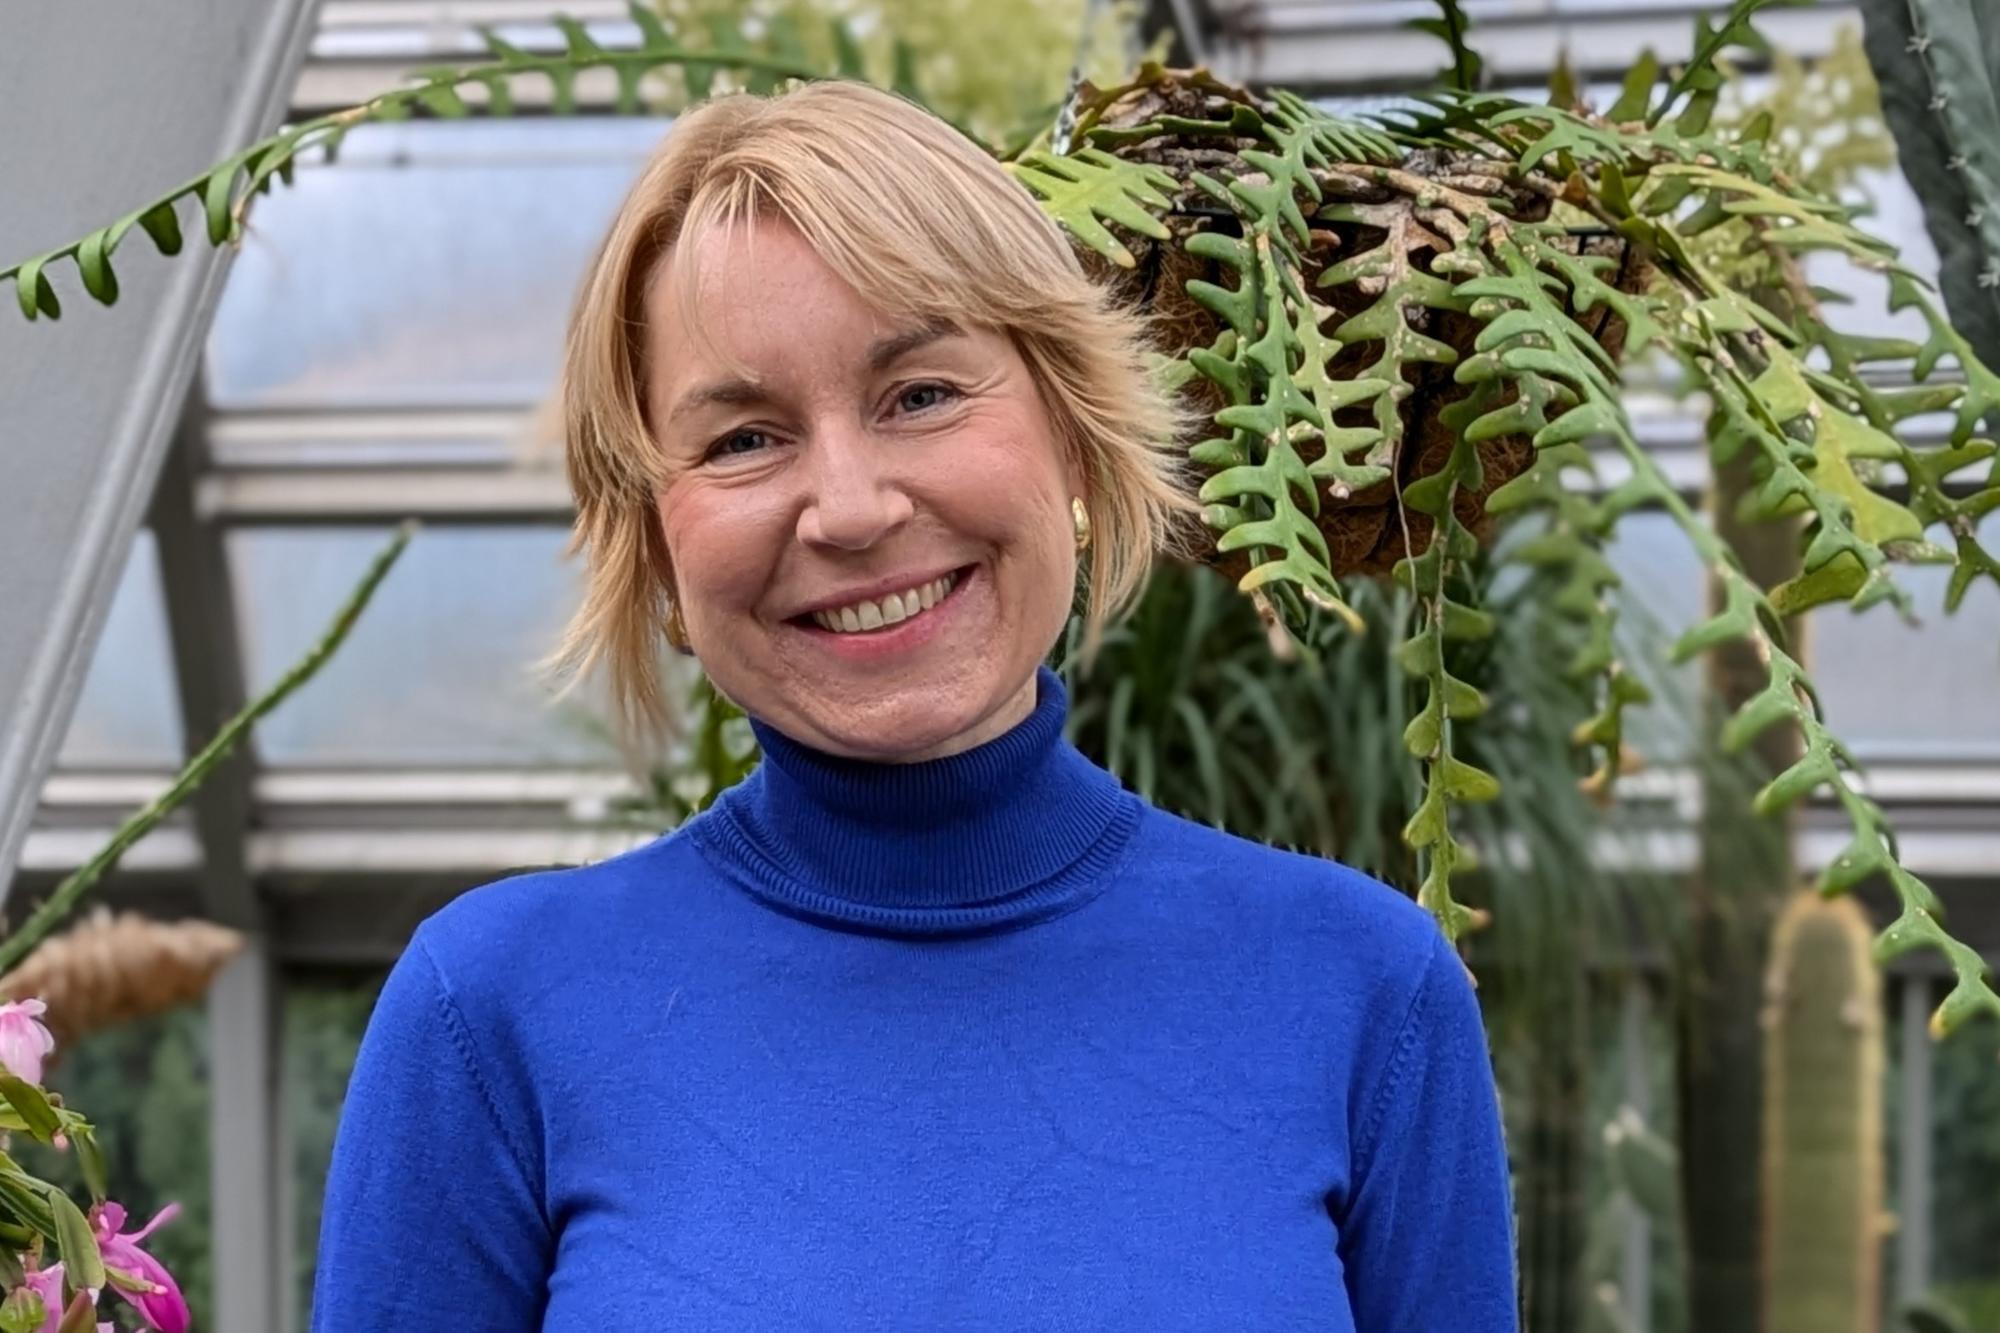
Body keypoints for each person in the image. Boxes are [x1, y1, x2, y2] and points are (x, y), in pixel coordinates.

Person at [309, 78, 1517, 1331]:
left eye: (920, 394)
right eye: (741, 440)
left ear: (1071, 433)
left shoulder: (1361, 995)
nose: (849, 506)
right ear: (658, 552)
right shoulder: (492, 1018)